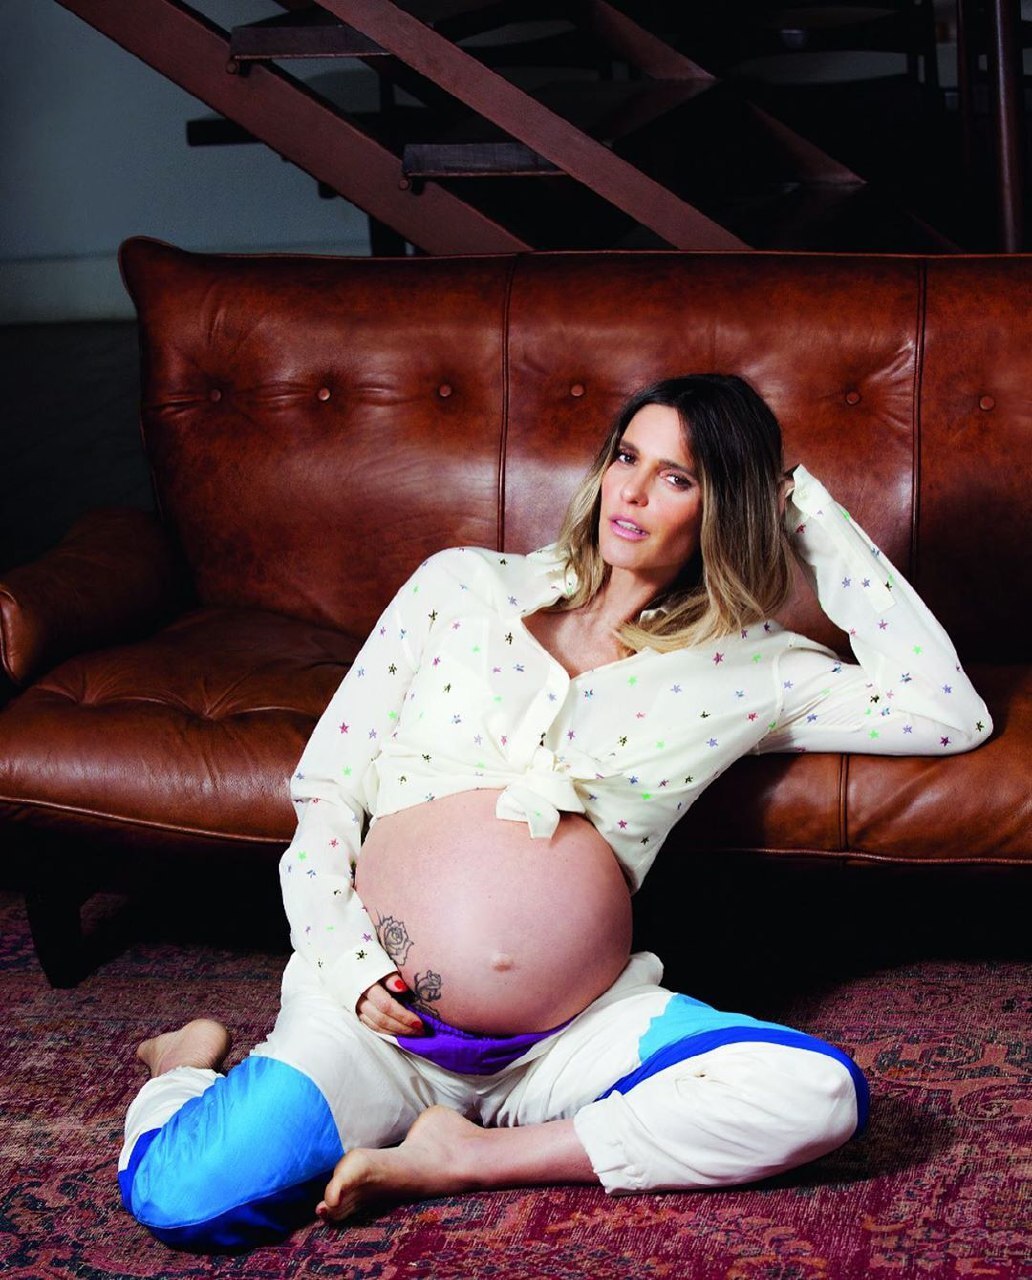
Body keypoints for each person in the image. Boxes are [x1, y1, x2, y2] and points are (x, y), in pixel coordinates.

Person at [118, 375, 991, 1250]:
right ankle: (183, 1063)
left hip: (568, 1044)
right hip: (375, 1026)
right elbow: (325, 791)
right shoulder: (461, 587)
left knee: (820, 1096)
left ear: (727, 507)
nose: (633, 492)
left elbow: (947, 711)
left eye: (677, 478)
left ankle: (472, 1156)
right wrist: (346, 965)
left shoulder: (755, 668)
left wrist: (805, 511)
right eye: (626, 458)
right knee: (179, 1197)